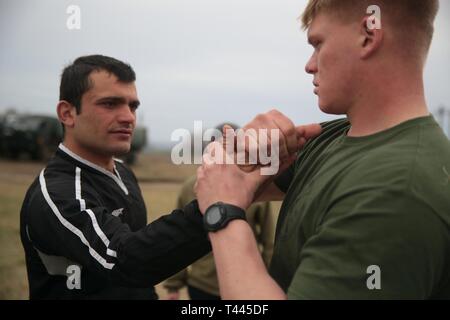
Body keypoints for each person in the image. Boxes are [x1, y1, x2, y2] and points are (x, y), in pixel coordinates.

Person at [195, 0, 450, 299]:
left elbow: (226, 193)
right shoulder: (337, 135)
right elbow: (245, 182)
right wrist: (241, 162)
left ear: (369, 35)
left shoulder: (398, 188)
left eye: (318, 43)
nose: (309, 65)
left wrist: (222, 214)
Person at [19, 55, 213, 299]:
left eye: (133, 106)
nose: (128, 117)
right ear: (67, 113)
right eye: (110, 104)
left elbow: (140, 271)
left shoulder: (123, 173)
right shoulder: (58, 194)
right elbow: (128, 262)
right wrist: (214, 207)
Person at [163, 174, 276, 300]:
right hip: (202, 286)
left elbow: (269, 242)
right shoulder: (191, 187)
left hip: (244, 286)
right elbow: (179, 238)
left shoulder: (255, 187)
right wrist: (173, 285)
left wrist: (266, 280)